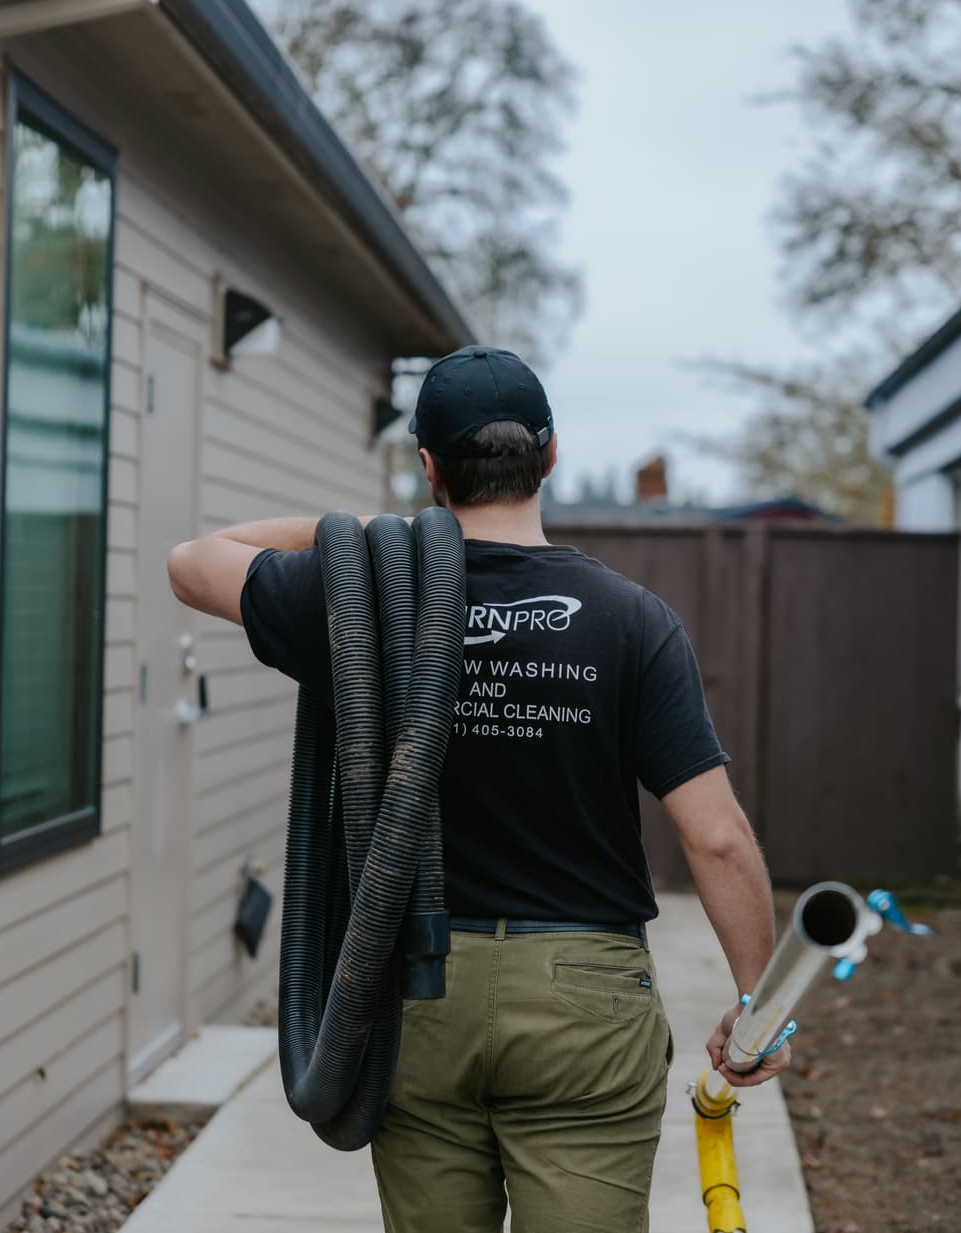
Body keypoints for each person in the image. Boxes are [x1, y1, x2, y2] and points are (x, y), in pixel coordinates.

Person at [167, 344, 789, 1233]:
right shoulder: (631, 619)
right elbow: (717, 836)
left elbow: (194, 560)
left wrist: (352, 541)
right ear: (552, 455)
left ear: (428, 468)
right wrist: (755, 1000)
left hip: (420, 986)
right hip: (584, 999)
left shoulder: (361, 605)